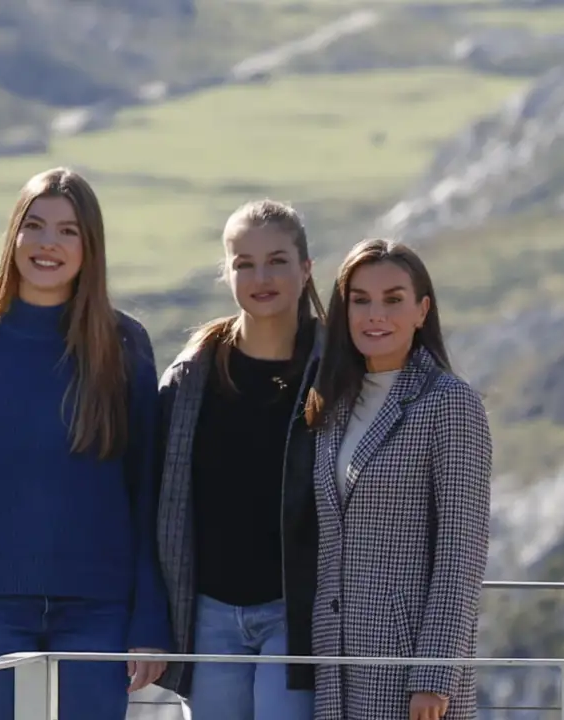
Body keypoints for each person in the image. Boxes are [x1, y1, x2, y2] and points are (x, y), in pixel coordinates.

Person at [0, 167, 171, 720]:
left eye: (68, 231)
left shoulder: (125, 347)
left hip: (100, 606)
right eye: (35, 226)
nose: (48, 243)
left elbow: (148, 494)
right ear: (14, 237)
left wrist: (149, 620)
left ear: (90, 246)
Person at [304, 238, 492, 720]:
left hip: (408, 667)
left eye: (393, 300)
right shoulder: (332, 404)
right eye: (360, 300)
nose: (375, 315)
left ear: (421, 310)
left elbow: (461, 551)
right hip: (336, 665)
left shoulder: (450, 403)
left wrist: (434, 675)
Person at [155, 199, 326, 720]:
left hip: (295, 612)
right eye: (243, 263)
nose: (261, 276)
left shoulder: (339, 372)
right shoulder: (191, 377)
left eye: (277, 260)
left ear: (306, 269)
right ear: (226, 272)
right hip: (208, 614)